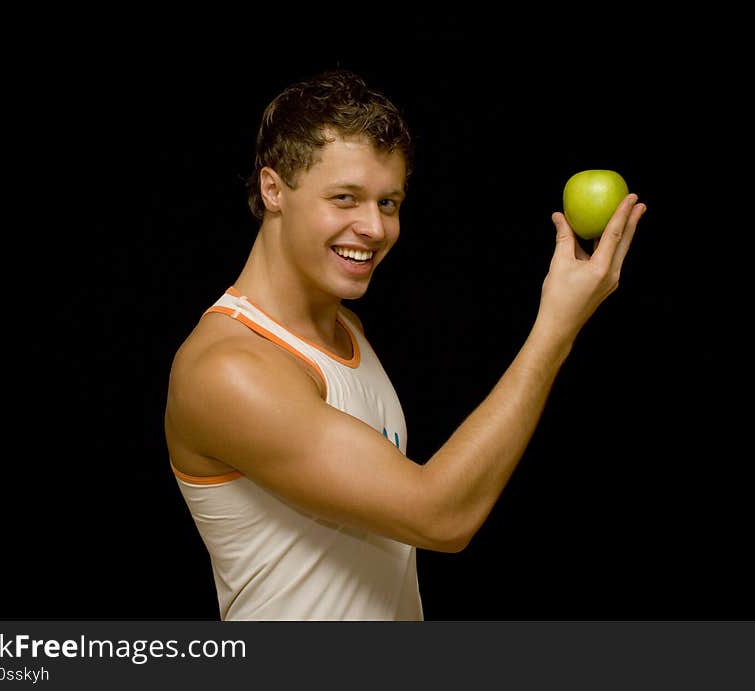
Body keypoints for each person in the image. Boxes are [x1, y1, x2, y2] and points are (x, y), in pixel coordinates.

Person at [164, 68, 647, 621]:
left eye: (388, 203)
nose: (374, 227)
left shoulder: (346, 330)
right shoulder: (229, 369)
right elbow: (439, 517)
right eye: (345, 198)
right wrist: (556, 326)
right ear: (274, 190)